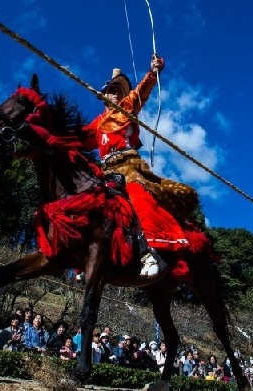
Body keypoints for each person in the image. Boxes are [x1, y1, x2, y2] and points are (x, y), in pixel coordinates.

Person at [81, 54, 200, 277]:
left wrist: (153, 73)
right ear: (105, 95)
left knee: (138, 196)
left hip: (129, 165)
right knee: (87, 201)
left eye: (119, 90)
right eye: (112, 90)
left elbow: (141, 92)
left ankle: (150, 251)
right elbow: (78, 137)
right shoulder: (97, 123)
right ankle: (84, 257)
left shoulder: (127, 107)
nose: (116, 93)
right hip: (106, 170)